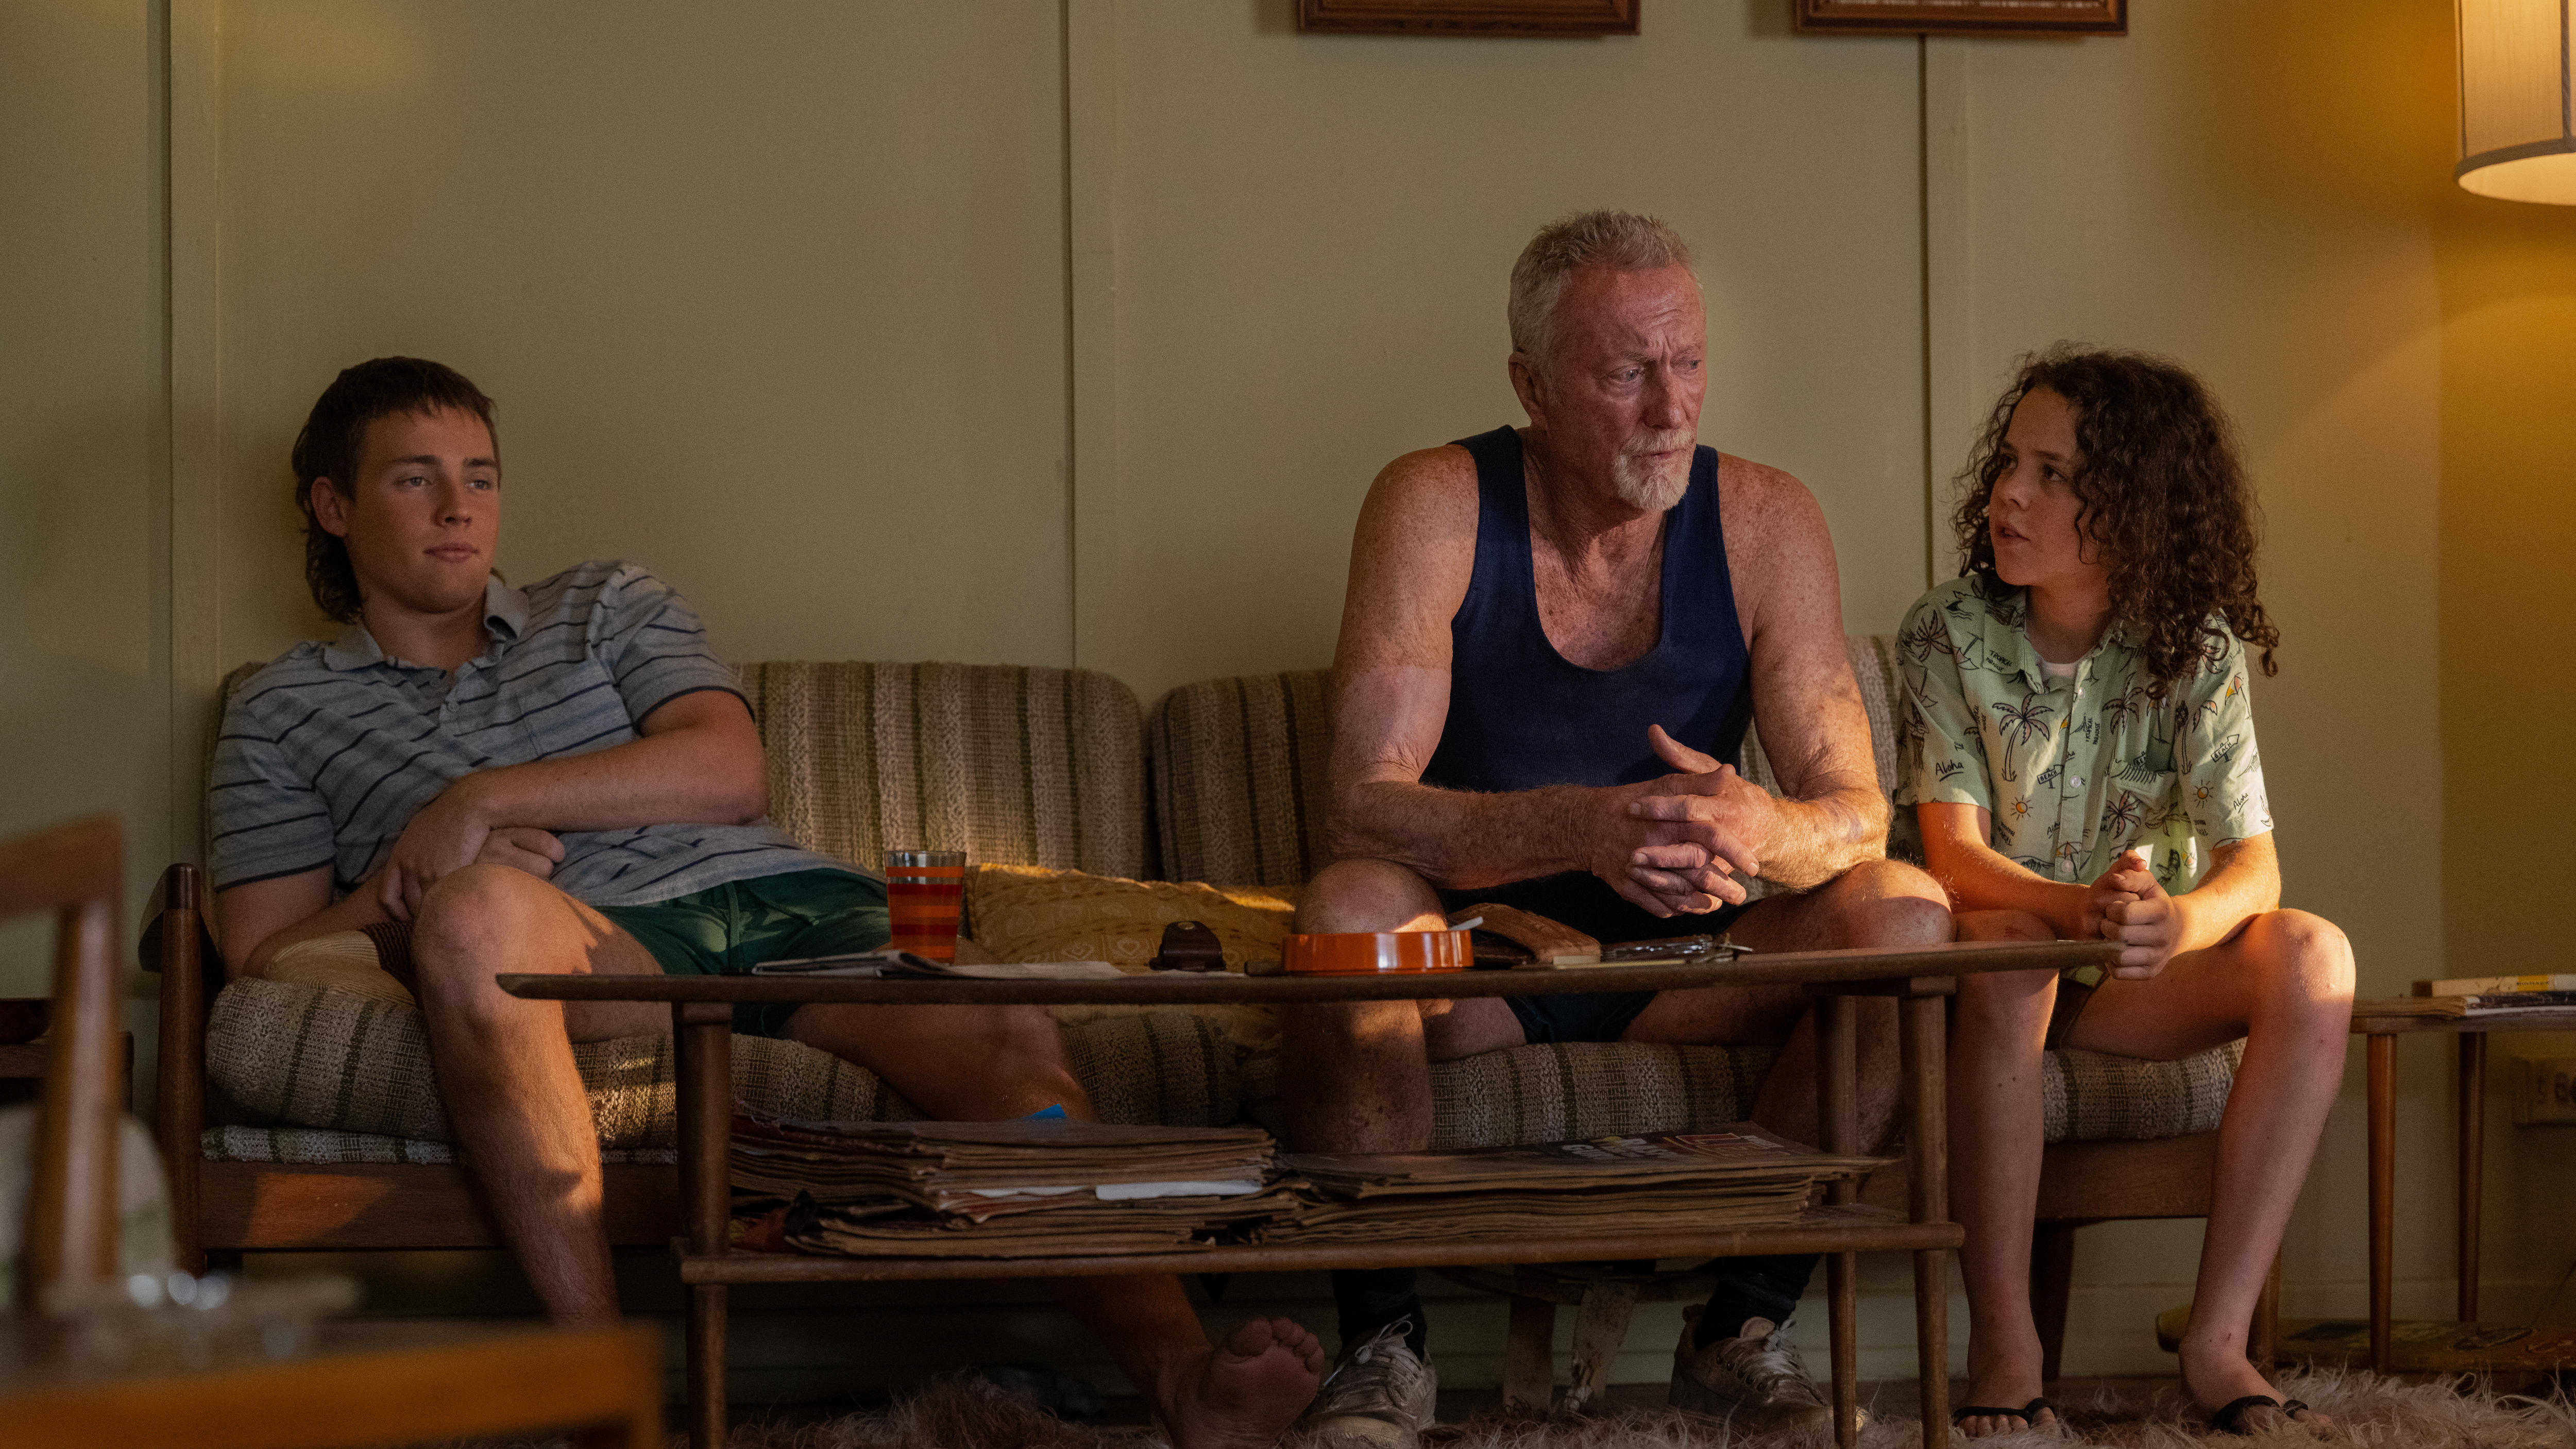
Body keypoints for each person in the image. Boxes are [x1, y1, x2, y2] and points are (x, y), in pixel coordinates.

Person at [210, 357, 1324, 1449]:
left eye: (481, 474)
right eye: (415, 477)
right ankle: (609, 1402)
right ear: (331, 504)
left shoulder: (603, 600)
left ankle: (1182, 1381)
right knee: (469, 917)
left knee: (1006, 1034)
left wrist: (480, 795)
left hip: (793, 905)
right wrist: (410, 872)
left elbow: (728, 766)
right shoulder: (281, 707)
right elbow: (266, 949)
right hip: (601, 942)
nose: (460, 506)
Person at [1286, 212, 1954, 1447]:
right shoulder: (1432, 500)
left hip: (1694, 965)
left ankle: (1743, 1328)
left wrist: (1762, 828)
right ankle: (1381, 1350)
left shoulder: (1765, 520)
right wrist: (1581, 827)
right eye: (1623, 372)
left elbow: (1857, 813)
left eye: (1688, 362)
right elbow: (1360, 799)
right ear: (1531, 387)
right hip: (1485, 957)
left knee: (1906, 907)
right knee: (1345, 909)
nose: (1669, 407)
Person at [1897, 347, 2354, 1438]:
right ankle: (2007, 1347)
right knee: (2005, 941)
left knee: (2313, 952)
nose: (2010, 491)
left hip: (2134, 980)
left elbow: (2256, 866)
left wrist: (2175, 923)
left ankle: (2216, 1340)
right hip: (2005, 966)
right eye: (2011, 463)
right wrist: (2076, 913)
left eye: (2052, 473)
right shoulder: (1946, 632)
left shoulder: (2196, 648)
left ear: (2136, 506)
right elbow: (1951, 857)